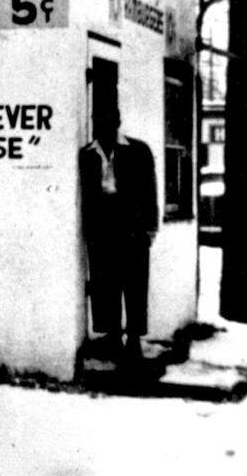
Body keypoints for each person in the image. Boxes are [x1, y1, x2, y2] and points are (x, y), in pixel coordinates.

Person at [79, 107, 158, 365]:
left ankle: (133, 339)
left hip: (132, 228)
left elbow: (150, 190)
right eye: (99, 124)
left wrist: (150, 227)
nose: (104, 130)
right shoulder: (87, 154)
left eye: (109, 124)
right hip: (102, 229)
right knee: (106, 284)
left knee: (135, 284)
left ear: (118, 123)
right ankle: (112, 336)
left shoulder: (138, 151)